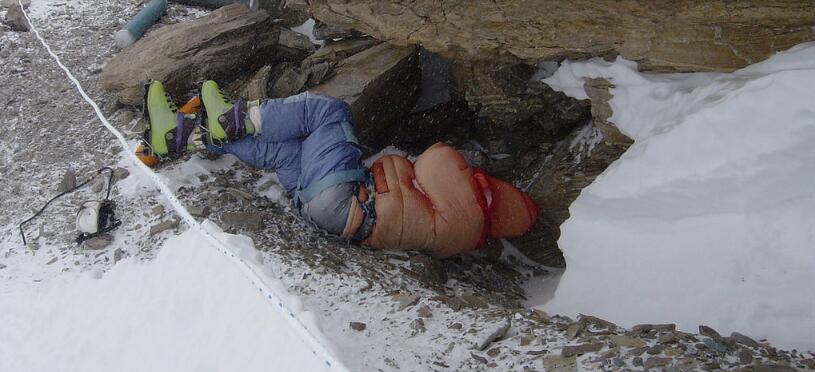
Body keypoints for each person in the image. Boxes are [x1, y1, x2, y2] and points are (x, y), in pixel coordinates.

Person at [143, 80, 538, 257]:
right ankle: (180, 137)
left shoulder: (468, 208)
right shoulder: (462, 237)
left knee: (326, 112)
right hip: (321, 210)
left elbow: (436, 156)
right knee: (286, 151)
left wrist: (464, 171)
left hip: (340, 201)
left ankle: (235, 118)